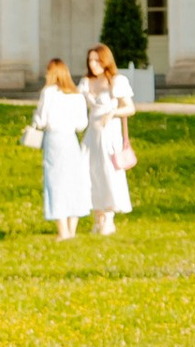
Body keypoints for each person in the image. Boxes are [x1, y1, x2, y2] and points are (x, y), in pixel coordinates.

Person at [28, 58, 87, 241]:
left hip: (54, 139)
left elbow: (41, 120)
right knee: (73, 182)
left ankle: (63, 231)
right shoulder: (77, 94)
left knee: (55, 182)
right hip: (71, 140)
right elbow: (81, 124)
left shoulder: (49, 93)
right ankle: (72, 229)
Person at [82, 42, 136, 239]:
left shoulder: (116, 81)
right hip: (91, 135)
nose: (93, 64)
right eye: (90, 61)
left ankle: (109, 217)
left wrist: (113, 112)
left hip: (109, 134)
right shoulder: (86, 83)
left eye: (97, 60)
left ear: (105, 61)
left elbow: (130, 108)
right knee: (89, 173)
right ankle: (97, 216)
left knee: (108, 174)